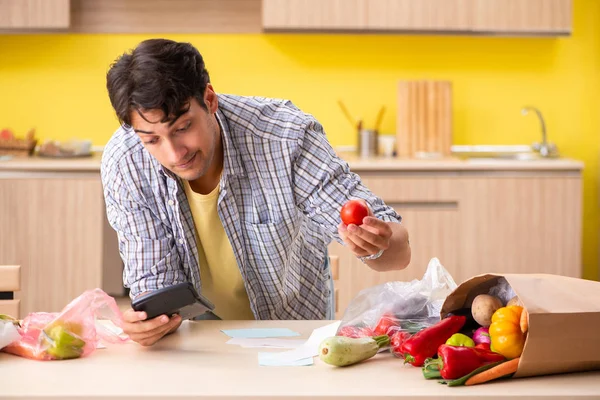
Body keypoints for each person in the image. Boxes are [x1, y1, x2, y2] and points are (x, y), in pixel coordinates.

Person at [101, 38, 411, 346]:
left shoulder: (285, 138)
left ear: (209, 99)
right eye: (152, 140)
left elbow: (397, 253)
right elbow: (154, 284)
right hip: (196, 339)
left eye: (182, 128)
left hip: (290, 333)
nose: (173, 154)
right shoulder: (126, 160)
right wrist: (148, 323)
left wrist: (377, 242)